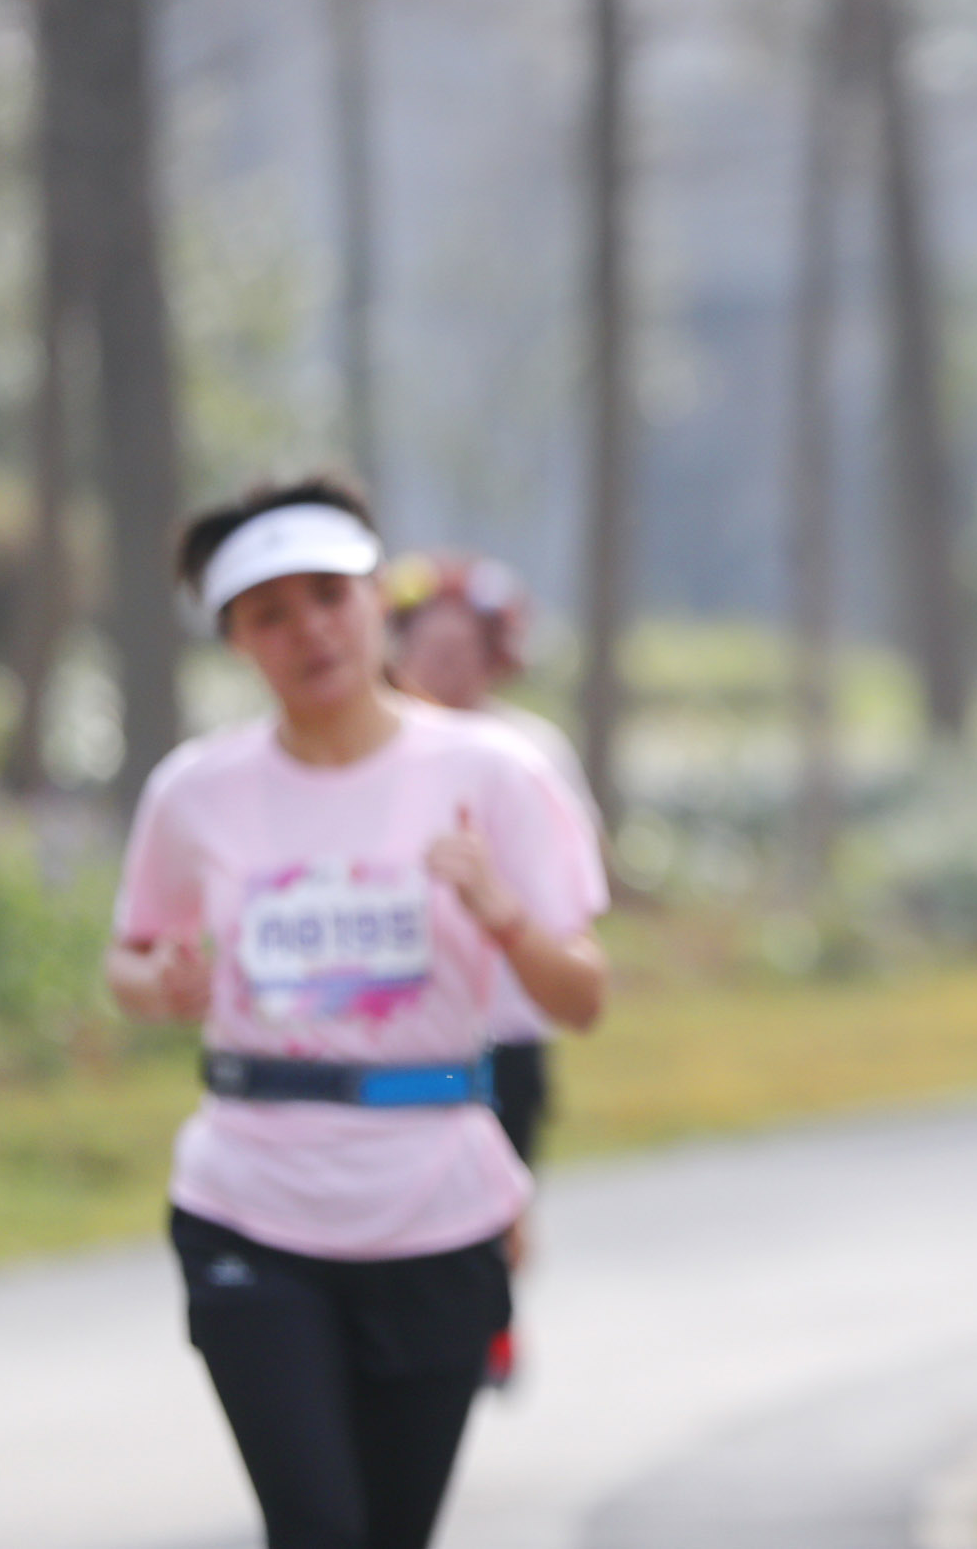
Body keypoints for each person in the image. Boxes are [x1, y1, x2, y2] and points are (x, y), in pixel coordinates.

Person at [107, 477, 609, 1549]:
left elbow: (584, 996)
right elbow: (131, 955)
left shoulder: (496, 770)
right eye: (269, 613)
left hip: (437, 1202)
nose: (308, 632)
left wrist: (504, 913)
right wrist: (163, 986)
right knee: (318, 1527)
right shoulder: (195, 791)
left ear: (381, 598)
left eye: (328, 596)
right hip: (249, 1200)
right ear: (238, 641)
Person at [386, 550, 604, 1384]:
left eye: (465, 650)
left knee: (501, 1187)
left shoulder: (526, 751)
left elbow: (576, 885)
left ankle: (489, 1315)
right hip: (404, 1027)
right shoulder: (366, 757)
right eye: (430, 648)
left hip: (506, 1024)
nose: (448, 666)